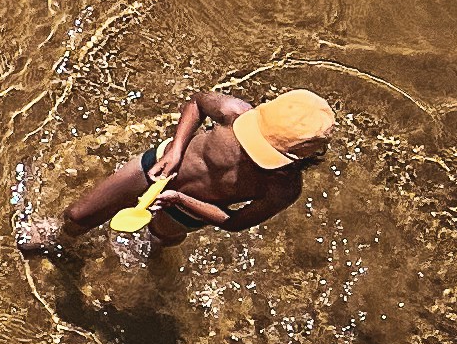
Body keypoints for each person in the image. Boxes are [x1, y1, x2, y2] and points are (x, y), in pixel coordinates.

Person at [18, 85, 336, 261]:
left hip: (190, 211)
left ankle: (154, 255)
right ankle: (59, 238)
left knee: (160, 239)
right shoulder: (233, 113)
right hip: (159, 167)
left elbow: (236, 223)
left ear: (302, 158)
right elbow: (197, 103)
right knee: (77, 214)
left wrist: (179, 199)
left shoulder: (283, 188)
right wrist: (177, 149)